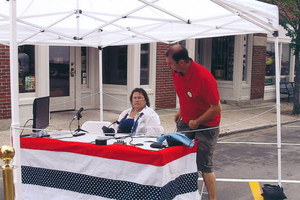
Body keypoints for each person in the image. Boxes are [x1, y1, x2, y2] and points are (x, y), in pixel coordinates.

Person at [166, 44, 221, 200]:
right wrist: (182, 112)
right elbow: (185, 94)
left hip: (207, 124)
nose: (168, 66)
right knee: (179, 155)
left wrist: (197, 121)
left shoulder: (204, 77)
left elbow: (216, 107)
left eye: (170, 63)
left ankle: (212, 198)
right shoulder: (176, 72)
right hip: (187, 121)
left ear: (181, 62)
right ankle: (184, 194)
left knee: (204, 164)